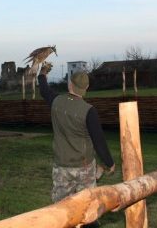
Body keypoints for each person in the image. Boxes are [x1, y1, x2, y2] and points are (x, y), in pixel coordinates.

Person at [38, 63, 115, 208]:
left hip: (61, 166)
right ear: (86, 88)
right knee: (87, 207)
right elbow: (99, 141)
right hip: (84, 167)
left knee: (60, 208)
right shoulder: (89, 111)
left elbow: (44, 90)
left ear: (70, 85)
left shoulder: (56, 102)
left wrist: (42, 73)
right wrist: (109, 163)